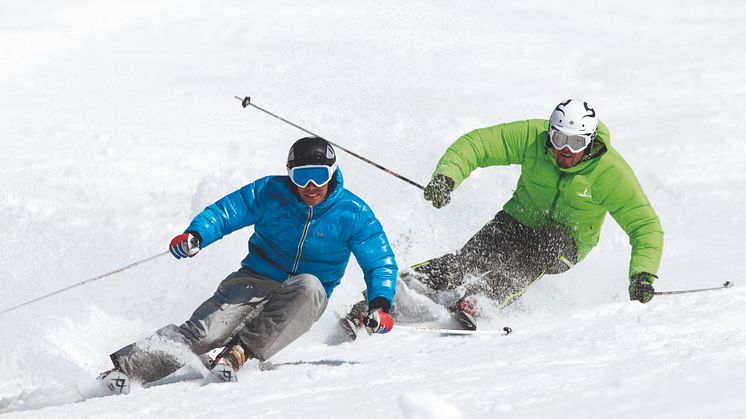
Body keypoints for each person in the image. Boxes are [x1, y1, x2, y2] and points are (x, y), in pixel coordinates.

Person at [98, 137, 398, 394]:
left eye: (319, 175)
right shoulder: (270, 192)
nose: (310, 186)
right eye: (301, 176)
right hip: (255, 278)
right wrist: (196, 235)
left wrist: (380, 305)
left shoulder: (353, 212)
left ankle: (239, 354)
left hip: (304, 296)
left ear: (332, 174)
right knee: (204, 333)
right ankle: (125, 368)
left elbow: (379, 263)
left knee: (309, 285)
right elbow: (227, 212)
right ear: (289, 174)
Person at [343, 98, 663, 333]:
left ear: (590, 142)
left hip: (568, 243)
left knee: (546, 245)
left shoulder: (610, 172)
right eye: (559, 140)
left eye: (576, 143)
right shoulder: (533, 138)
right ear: (549, 133)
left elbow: (645, 226)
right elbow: (477, 144)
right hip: (518, 220)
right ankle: (384, 298)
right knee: (466, 262)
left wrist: (642, 276)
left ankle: (481, 299)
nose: (565, 150)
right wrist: (446, 177)